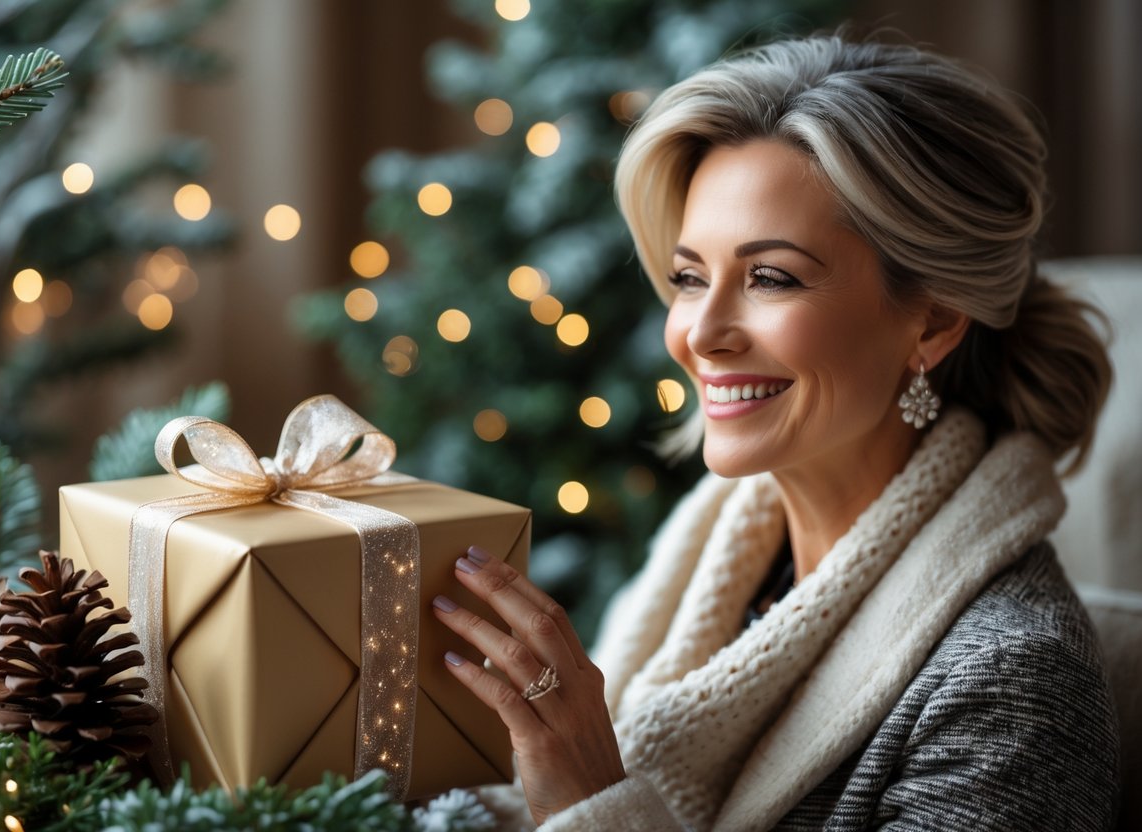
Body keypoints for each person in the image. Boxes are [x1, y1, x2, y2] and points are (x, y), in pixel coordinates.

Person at [430, 33, 1120, 831]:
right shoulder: (714, 574)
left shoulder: (1010, 683)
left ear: (931, 322)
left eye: (770, 277)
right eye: (689, 278)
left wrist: (593, 806)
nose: (702, 332)